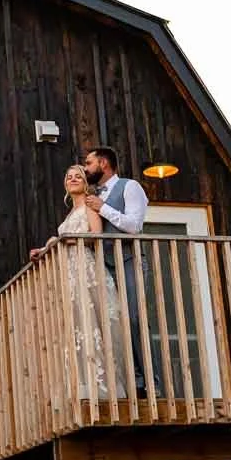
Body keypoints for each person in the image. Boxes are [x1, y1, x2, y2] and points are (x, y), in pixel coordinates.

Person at [30, 165, 124, 398]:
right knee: (76, 325)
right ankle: (82, 383)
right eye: (68, 177)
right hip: (69, 270)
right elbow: (62, 241)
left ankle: (102, 385)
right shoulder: (70, 214)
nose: (72, 179)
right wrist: (44, 249)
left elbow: (95, 235)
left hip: (85, 266)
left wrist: (64, 240)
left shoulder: (89, 205)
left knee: (91, 321)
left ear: (85, 183)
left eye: (77, 177)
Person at [81, 146, 157, 395]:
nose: (85, 168)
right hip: (104, 266)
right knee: (114, 324)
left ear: (103, 163)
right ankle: (131, 381)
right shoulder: (91, 195)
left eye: (89, 163)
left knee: (134, 318)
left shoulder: (130, 186)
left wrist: (103, 208)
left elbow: (134, 226)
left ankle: (151, 382)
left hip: (129, 260)